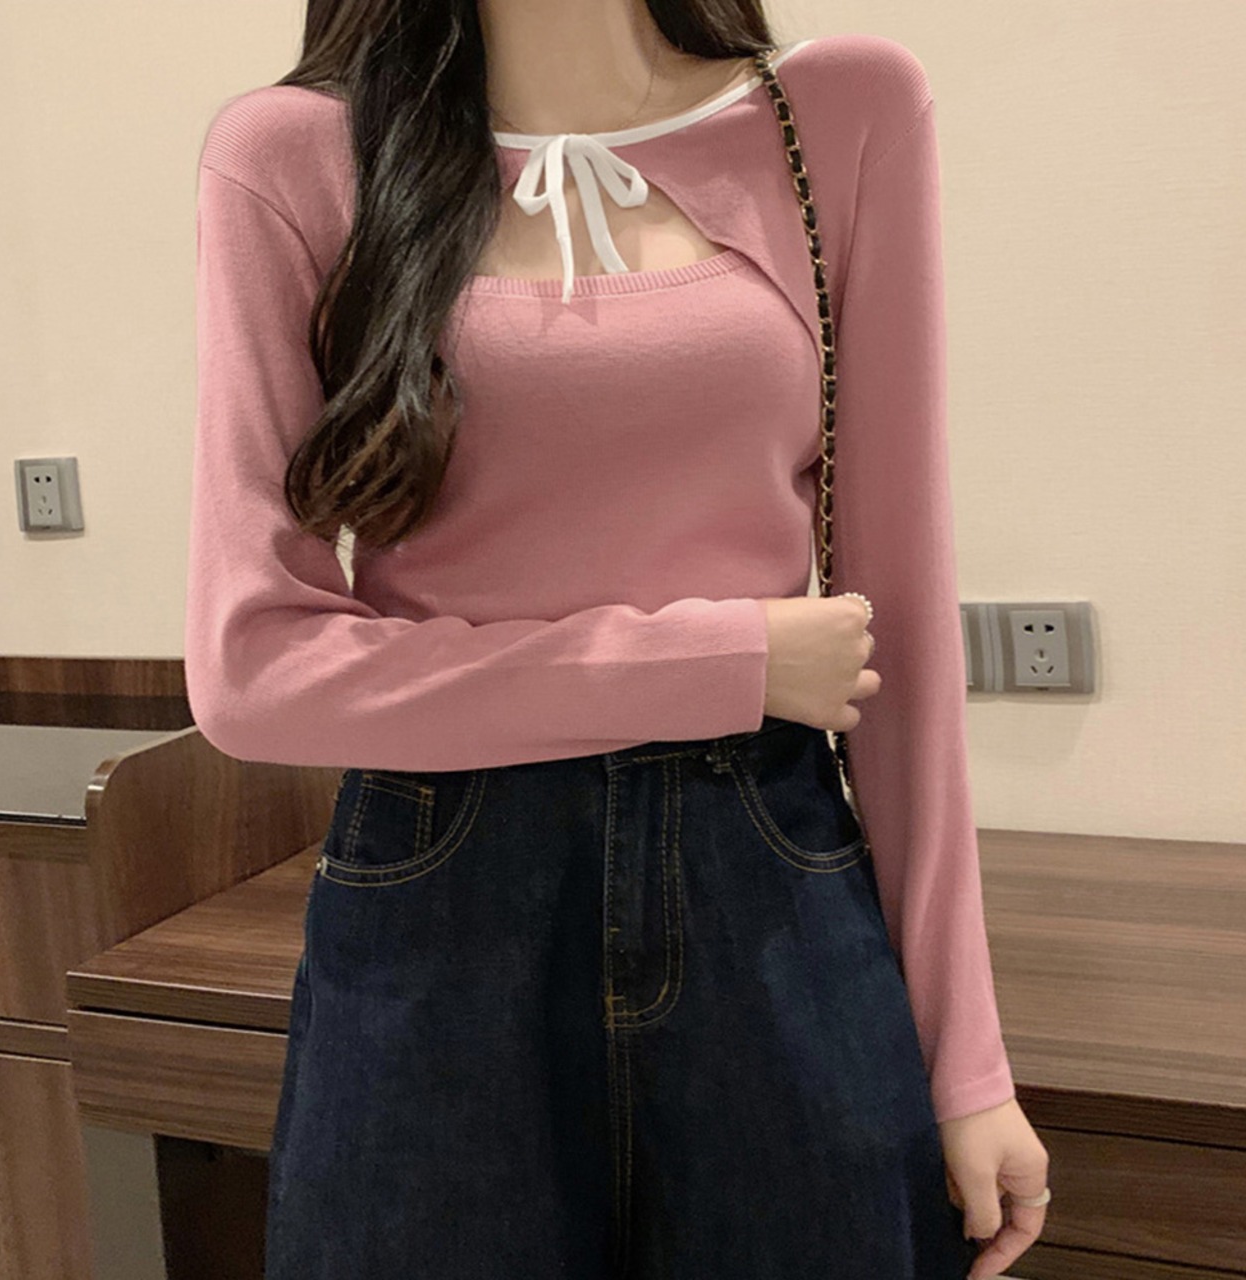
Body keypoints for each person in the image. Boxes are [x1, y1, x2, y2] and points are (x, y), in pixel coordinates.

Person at [184, 1, 1050, 1275]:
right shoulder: (297, 155)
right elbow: (254, 670)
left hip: (767, 866)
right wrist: (718, 662)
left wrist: (965, 1060)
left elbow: (901, 639)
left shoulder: (839, 113)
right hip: (444, 893)